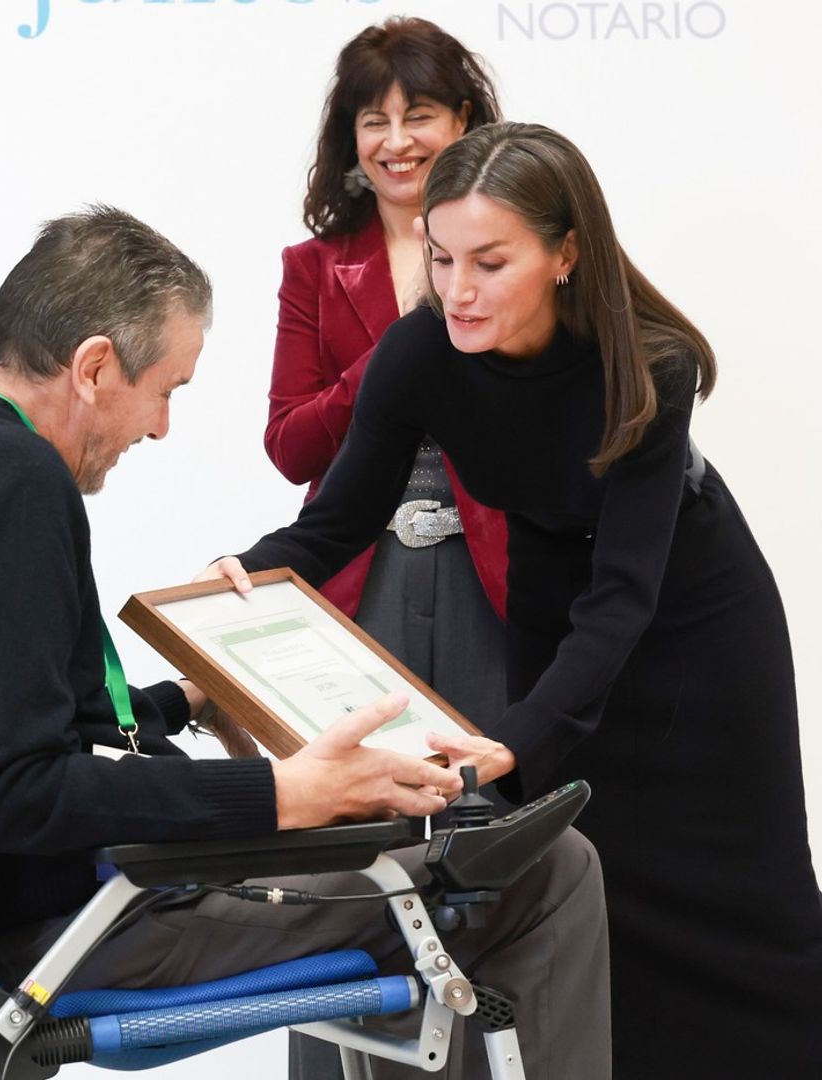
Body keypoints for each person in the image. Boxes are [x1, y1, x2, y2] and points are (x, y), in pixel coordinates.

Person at [0, 205, 611, 1079]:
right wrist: (281, 793)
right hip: (94, 928)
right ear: (94, 367)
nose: (159, 427)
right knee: (549, 870)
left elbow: (3, 720)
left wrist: (186, 700)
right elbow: (18, 791)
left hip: (20, 918)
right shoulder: (18, 486)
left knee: (438, 854)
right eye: (165, 390)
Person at [206, 123, 822, 1078]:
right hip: (555, 613)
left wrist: (518, 739)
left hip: (692, 624)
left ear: (565, 253)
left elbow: (624, 598)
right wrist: (237, 579)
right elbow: (336, 522)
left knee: (739, 902)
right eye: (442, 257)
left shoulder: (648, 367)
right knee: (588, 889)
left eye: (490, 263)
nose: (457, 289)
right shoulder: (420, 354)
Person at [266, 17, 508, 732]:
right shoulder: (310, 269)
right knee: (371, 797)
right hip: (360, 570)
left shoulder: (516, 252)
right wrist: (399, 350)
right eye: (376, 121)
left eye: (420, 116)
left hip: (497, 568)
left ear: (463, 120)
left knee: (496, 796)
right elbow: (290, 446)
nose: (396, 143)